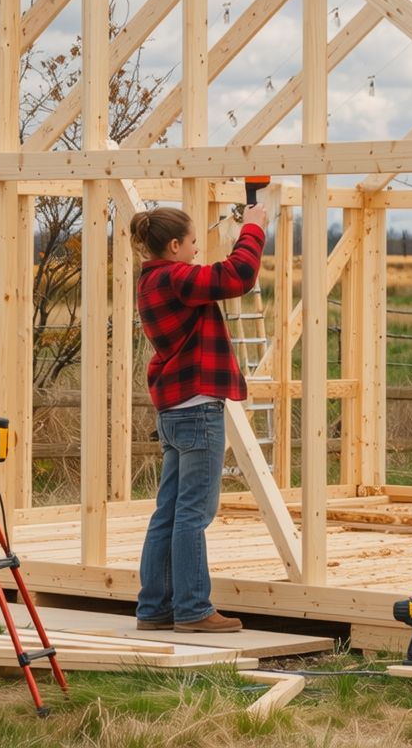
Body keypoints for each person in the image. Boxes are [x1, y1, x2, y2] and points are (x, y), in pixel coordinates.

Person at [129, 202, 270, 632]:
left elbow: (218, 278)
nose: (196, 250)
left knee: (169, 512)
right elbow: (239, 276)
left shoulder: (151, 280)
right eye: (192, 242)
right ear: (174, 245)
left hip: (175, 411)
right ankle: (192, 610)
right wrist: (253, 229)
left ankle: (154, 608)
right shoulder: (176, 278)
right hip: (198, 410)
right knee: (194, 513)